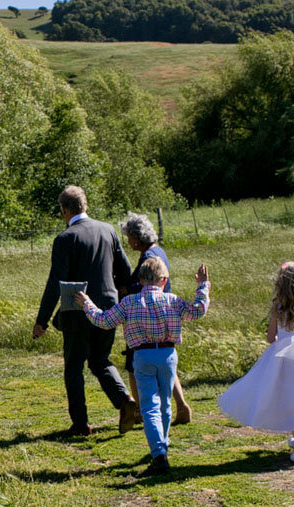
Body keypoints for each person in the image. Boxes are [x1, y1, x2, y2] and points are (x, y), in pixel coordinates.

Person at [77, 257, 210, 475]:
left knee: (149, 406)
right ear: (164, 280)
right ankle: (162, 445)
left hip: (142, 355)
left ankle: (159, 454)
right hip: (167, 354)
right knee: (165, 402)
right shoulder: (172, 300)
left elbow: (104, 321)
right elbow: (197, 310)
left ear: (140, 280)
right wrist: (202, 285)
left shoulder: (129, 302)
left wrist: (87, 303)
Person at [33, 186, 139, 435]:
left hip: (77, 310)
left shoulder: (65, 239)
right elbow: (125, 271)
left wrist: (42, 320)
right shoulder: (108, 230)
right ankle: (125, 400)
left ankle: (80, 424)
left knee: (74, 366)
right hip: (109, 307)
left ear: (64, 210)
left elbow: (55, 283)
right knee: (100, 360)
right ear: (85, 205)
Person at [217, 262, 294, 465]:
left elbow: (271, 337)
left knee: (286, 397)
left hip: (285, 358)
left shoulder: (278, 308)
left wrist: (284, 340)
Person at [120, 212, 192, 425]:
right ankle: (182, 406)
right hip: (164, 313)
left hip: (145, 316)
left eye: (129, 237)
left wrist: (125, 289)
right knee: (166, 364)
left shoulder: (148, 257)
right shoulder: (159, 251)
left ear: (136, 238)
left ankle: (142, 411)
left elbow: (141, 285)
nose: (128, 242)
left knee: (134, 365)